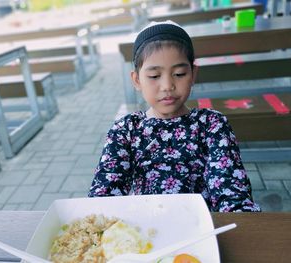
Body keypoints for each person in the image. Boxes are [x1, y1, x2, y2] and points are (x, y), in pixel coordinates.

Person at [88, 20, 261, 212]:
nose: (167, 85)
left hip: (202, 230)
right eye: (154, 76)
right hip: (145, 233)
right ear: (137, 80)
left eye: (179, 73)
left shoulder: (211, 125)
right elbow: (103, 196)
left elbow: (231, 191)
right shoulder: (126, 130)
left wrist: (240, 219)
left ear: (193, 74)